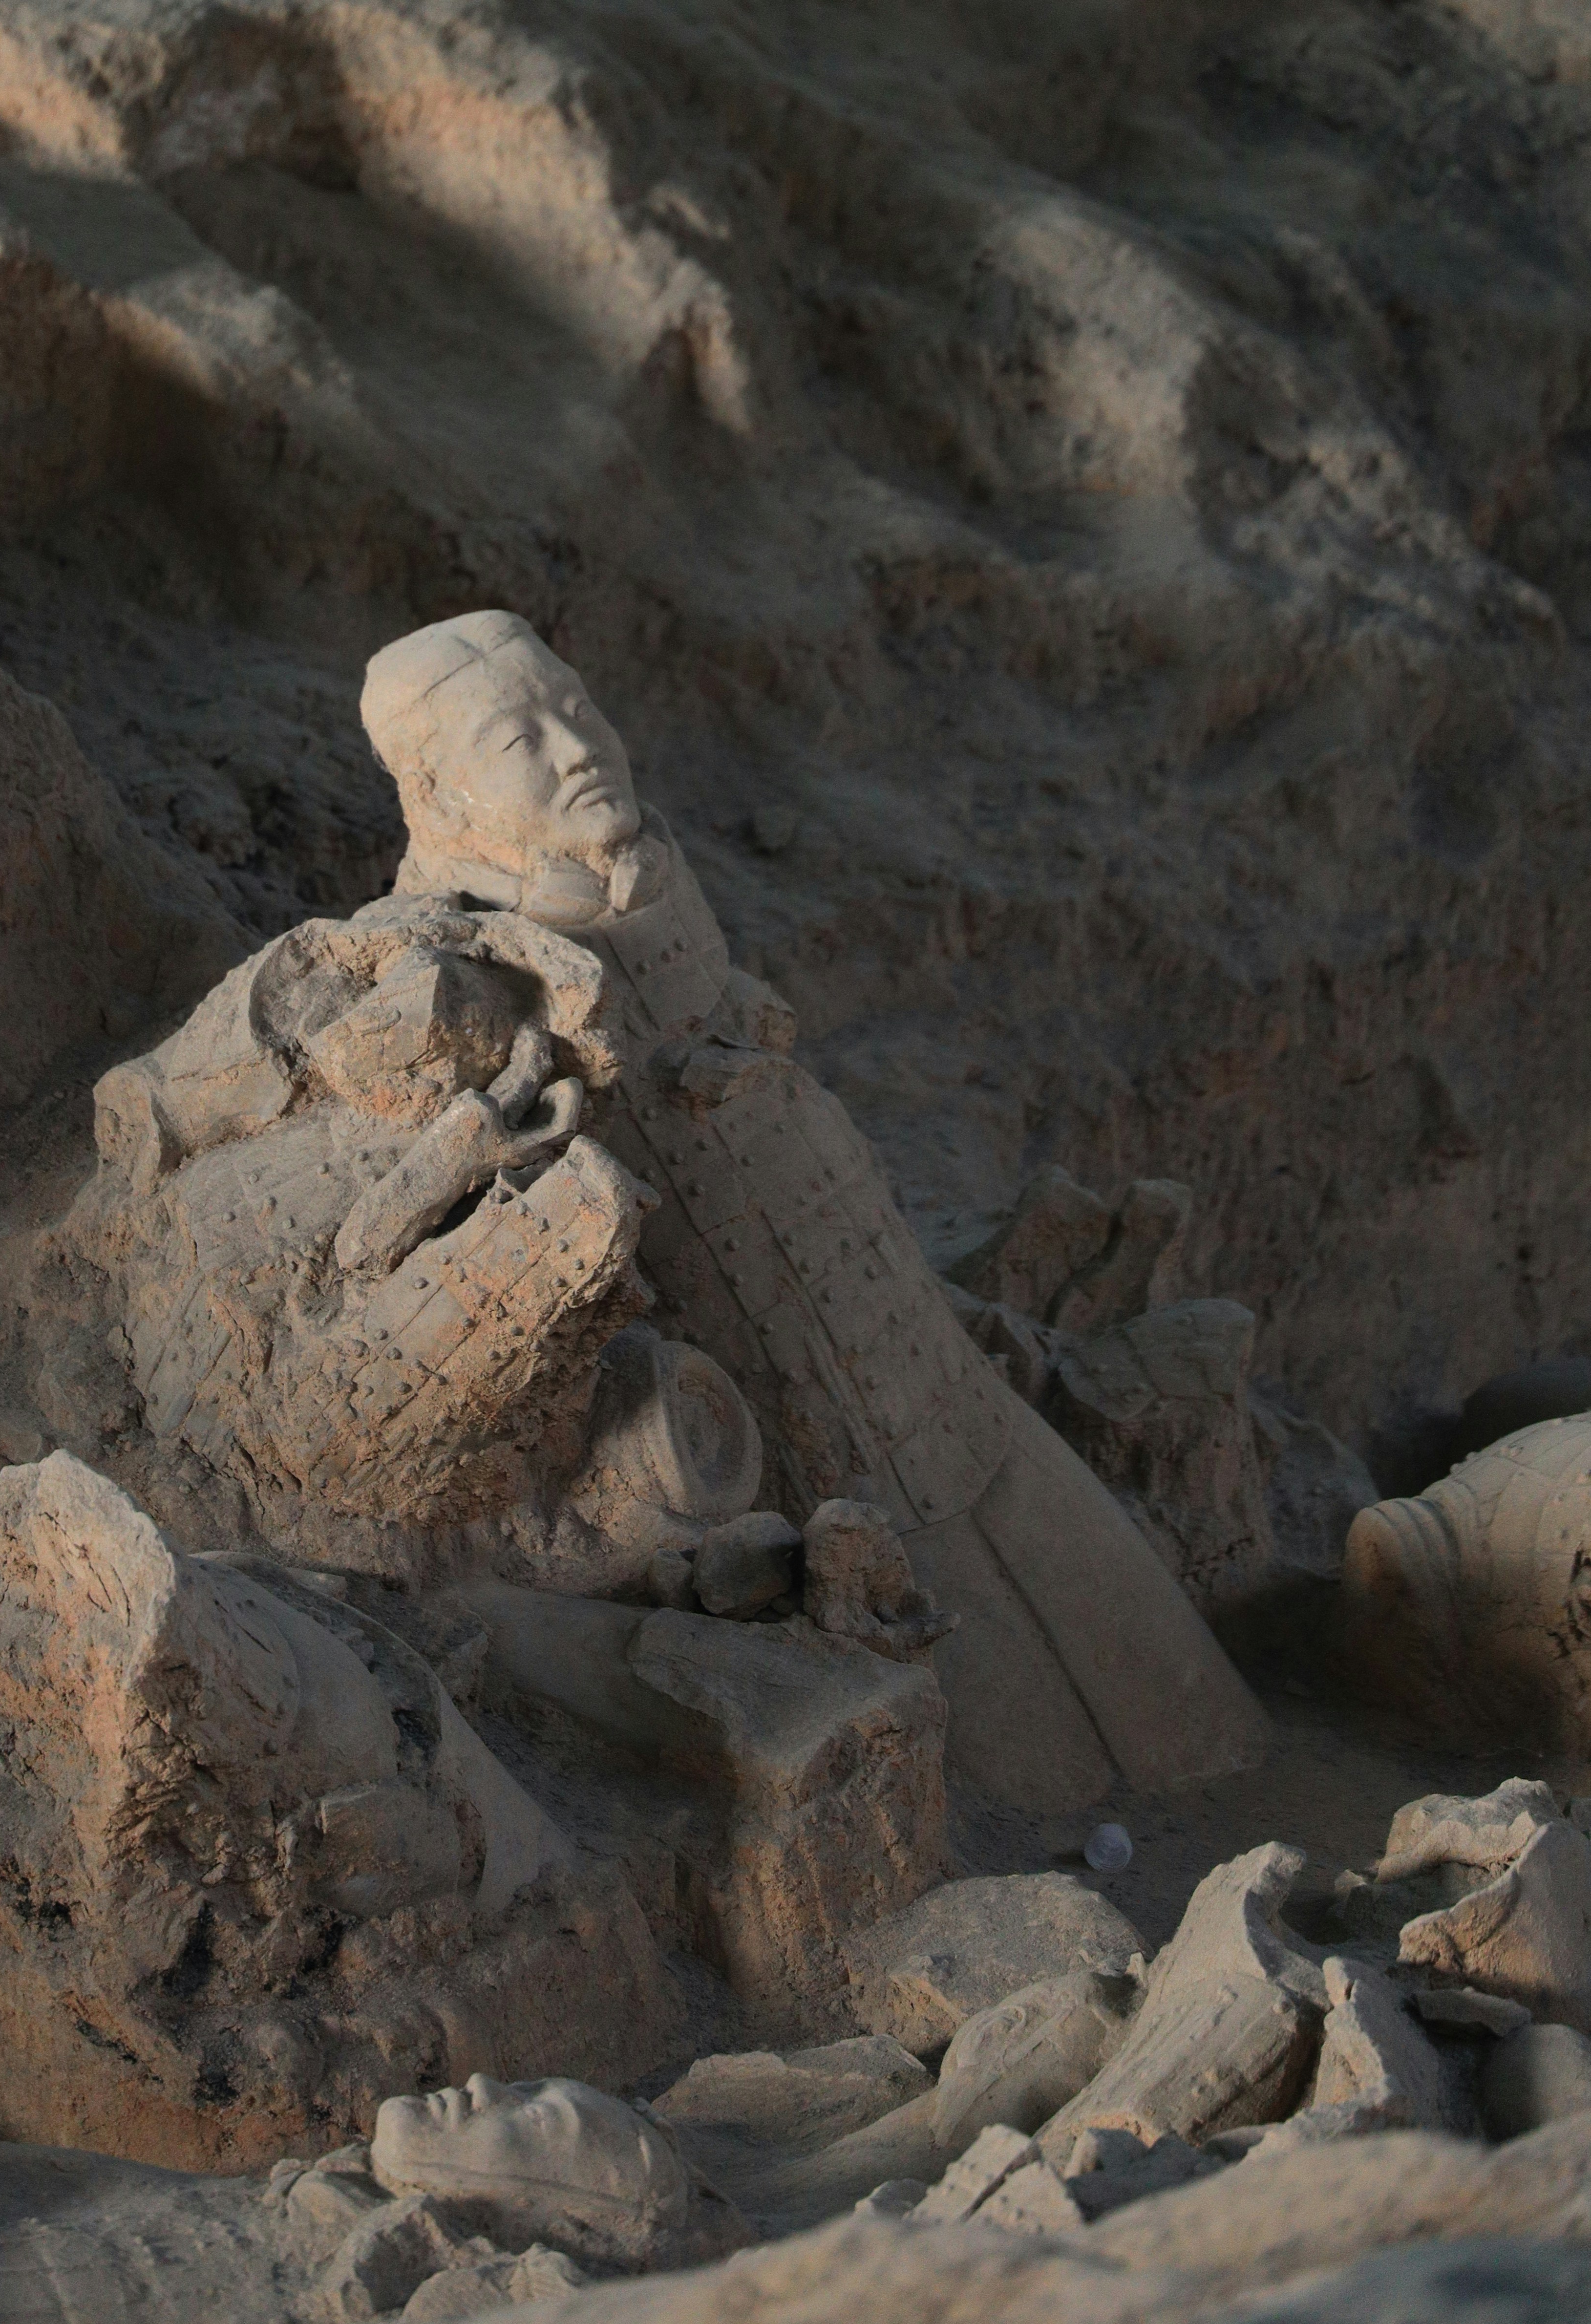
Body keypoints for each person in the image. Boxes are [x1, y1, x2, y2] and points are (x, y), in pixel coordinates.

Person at [360, 611, 1267, 1809]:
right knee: (1019, 1785)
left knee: (1193, 1727)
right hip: (809, 1465)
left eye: (575, 706)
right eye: (519, 737)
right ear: (435, 786)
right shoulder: (444, 982)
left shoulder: (648, 885)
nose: (576, 747)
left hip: (933, 1376)